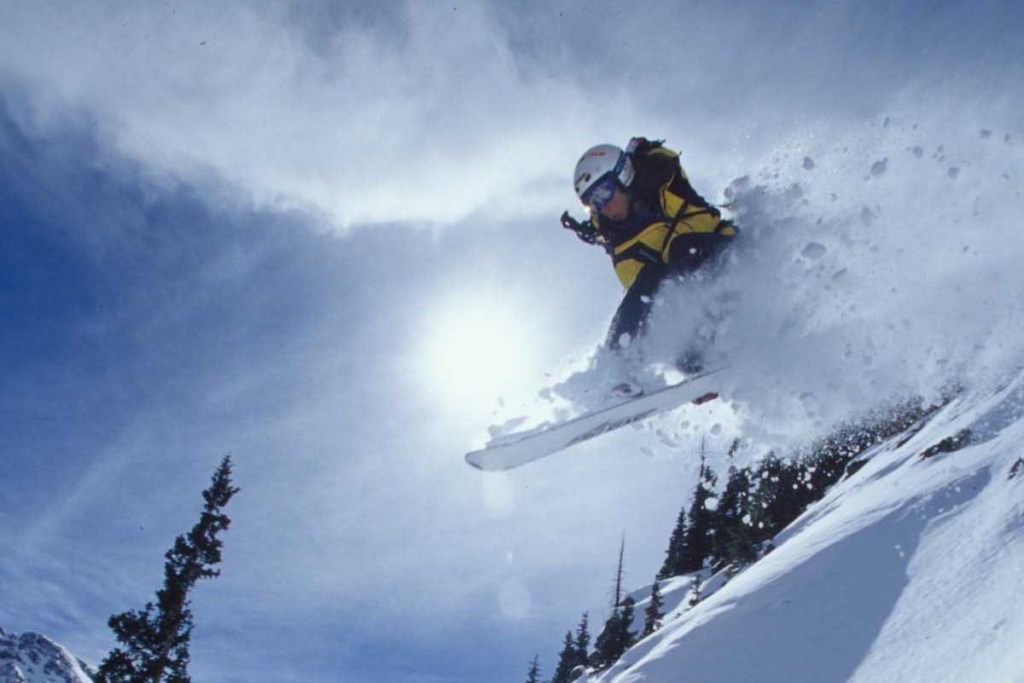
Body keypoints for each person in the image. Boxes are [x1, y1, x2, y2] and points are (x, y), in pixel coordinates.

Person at [561, 137, 739, 370]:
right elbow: (641, 300)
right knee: (652, 281)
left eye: (604, 192)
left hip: (731, 256)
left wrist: (642, 153)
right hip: (706, 319)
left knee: (683, 249)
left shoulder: (662, 182)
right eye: (592, 203)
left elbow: (663, 161)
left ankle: (720, 331)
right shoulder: (624, 251)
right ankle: (617, 371)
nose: (602, 206)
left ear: (622, 176)